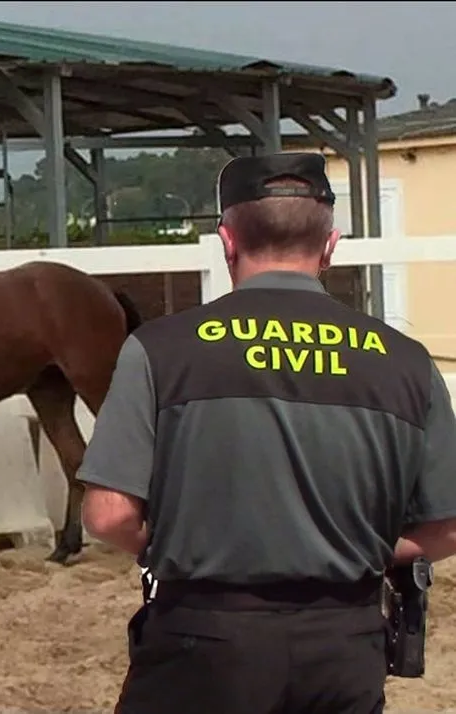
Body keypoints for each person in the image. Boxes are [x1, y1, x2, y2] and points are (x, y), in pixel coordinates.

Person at [76, 152, 456, 714]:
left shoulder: (161, 350)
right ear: (331, 245)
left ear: (226, 241)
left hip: (203, 639)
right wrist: (363, 548)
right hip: (344, 645)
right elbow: (445, 528)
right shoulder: (405, 361)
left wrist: (183, 548)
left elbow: (108, 515)